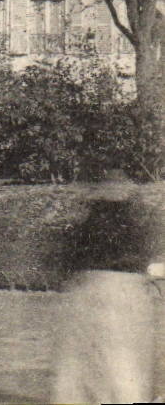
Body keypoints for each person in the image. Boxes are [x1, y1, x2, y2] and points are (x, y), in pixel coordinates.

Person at [51, 172, 158, 403]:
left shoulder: (87, 223)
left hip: (93, 289)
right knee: (122, 368)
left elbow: (66, 260)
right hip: (125, 292)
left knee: (89, 369)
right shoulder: (134, 222)